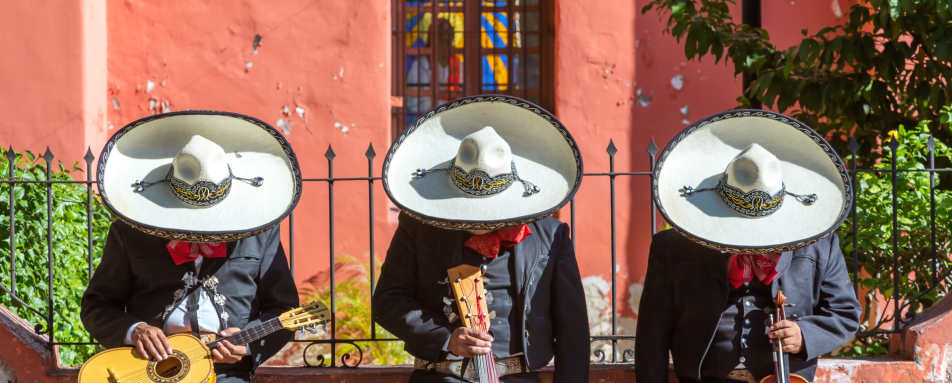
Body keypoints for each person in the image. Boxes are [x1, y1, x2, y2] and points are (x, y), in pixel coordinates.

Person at [373, 95, 589, 382]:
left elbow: (572, 330)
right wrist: (446, 338)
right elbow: (387, 302)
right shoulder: (419, 228)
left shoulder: (550, 236)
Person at [635, 110, 861, 383]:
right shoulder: (671, 248)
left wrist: (805, 335)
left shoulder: (818, 246)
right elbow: (652, 335)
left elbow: (845, 314)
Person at [81, 111, 302, 383]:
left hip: (226, 374)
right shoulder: (130, 234)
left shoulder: (261, 234)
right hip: (147, 372)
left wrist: (247, 345)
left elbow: (284, 310)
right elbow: (97, 306)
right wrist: (135, 330)